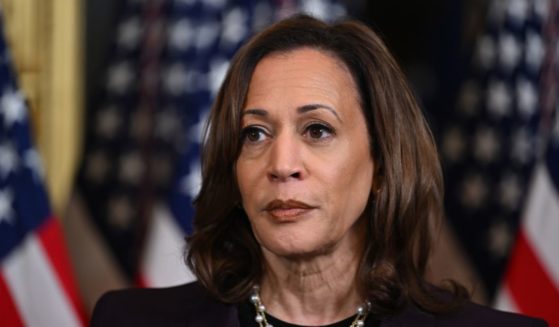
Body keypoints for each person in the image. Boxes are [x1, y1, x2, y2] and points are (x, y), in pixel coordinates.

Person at [91, 14, 548, 327]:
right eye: (255, 134)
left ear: (384, 164)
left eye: (317, 130)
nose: (282, 165)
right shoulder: (130, 321)